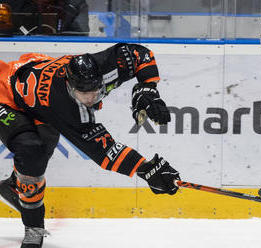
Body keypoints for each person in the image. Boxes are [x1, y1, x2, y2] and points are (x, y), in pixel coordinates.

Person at [0, 43, 180, 248]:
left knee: (43, 146)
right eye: (83, 94)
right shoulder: (65, 107)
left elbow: (141, 54)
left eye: (96, 91)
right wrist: (145, 169)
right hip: (5, 94)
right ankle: (33, 228)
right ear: (69, 86)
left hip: (32, 82)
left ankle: (14, 186)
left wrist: (148, 87)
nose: (91, 98)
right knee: (32, 152)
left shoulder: (102, 66)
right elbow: (104, 152)